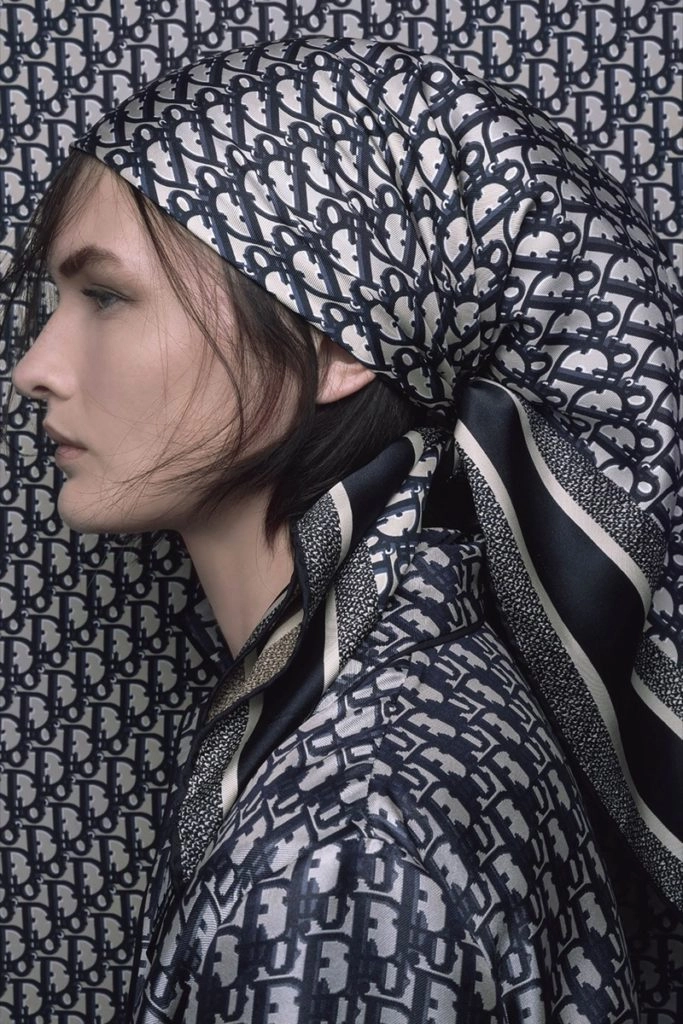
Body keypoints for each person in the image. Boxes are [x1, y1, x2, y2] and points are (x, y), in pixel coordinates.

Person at [6, 36, 682, 1022]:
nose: (35, 367)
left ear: (335, 346)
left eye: (106, 296)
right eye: (56, 301)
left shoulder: (345, 853)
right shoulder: (411, 690)